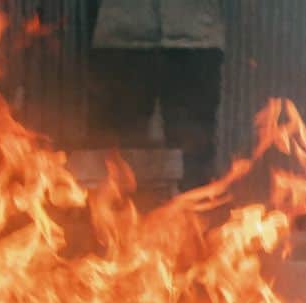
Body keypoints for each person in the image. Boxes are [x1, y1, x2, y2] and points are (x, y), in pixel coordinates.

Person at [87, 0, 226, 190]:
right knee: (116, 155)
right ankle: (115, 216)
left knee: (194, 156)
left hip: (193, 38)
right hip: (123, 36)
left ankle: (196, 217)